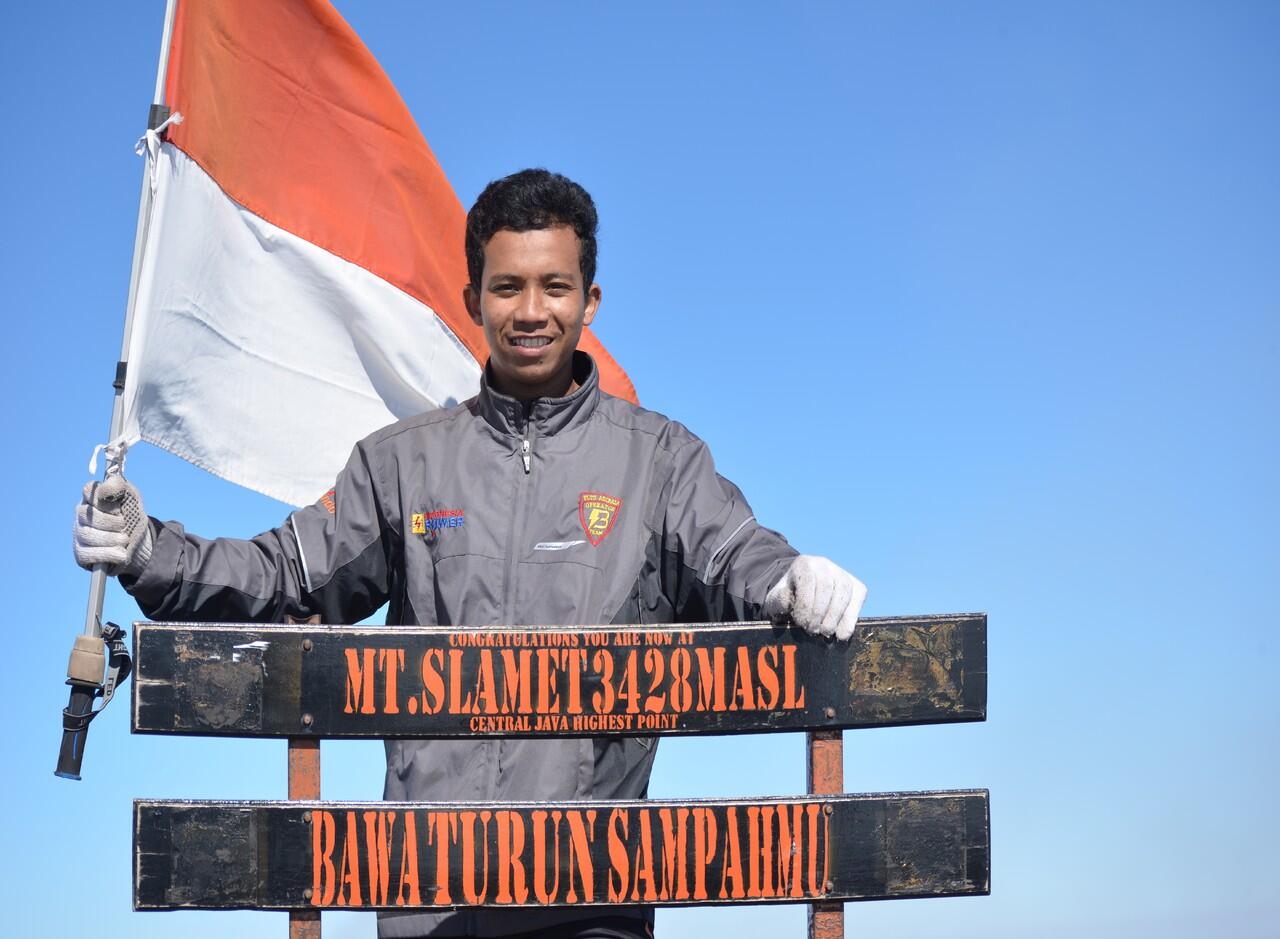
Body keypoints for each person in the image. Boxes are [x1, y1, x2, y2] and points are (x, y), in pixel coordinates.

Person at [73, 169, 866, 939]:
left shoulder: (658, 460)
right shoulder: (401, 464)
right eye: (506, 287)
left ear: (590, 300)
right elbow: (289, 572)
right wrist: (150, 550)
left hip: (591, 892)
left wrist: (790, 578)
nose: (531, 310)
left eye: (555, 286)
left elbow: (732, 553)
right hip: (427, 889)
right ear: (471, 301)